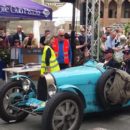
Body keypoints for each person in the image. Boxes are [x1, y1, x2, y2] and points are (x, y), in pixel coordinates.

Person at [38, 34, 60, 101]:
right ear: (49, 40)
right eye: (53, 39)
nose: (54, 41)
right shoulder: (48, 48)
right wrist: (48, 71)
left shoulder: (47, 48)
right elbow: (47, 59)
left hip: (50, 72)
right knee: (51, 89)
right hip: (51, 73)